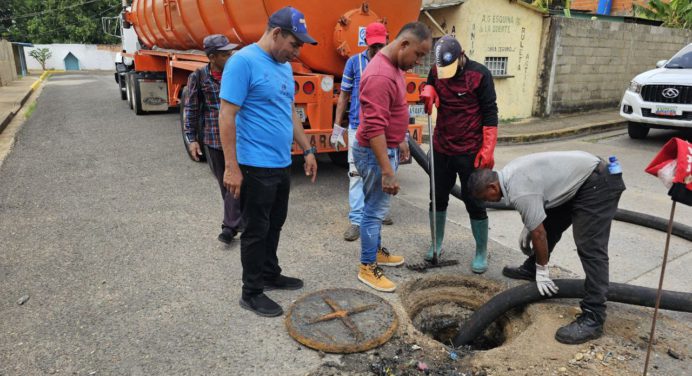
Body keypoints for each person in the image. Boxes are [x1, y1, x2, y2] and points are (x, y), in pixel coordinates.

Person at [218, 6, 318, 317]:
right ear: (276, 34)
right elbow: (227, 115)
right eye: (295, 44)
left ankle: (269, 274)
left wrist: (308, 150)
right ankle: (251, 292)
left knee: (275, 223)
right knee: (255, 230)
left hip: (280, 163)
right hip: (253, 165)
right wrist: (231, 167)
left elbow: (289, 112)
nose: (297, 52)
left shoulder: (283, 66)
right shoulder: (243, 62)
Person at [468, 151, 626, 344]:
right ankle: (532, 266)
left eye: (486, 197)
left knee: (590, 247)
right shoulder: (508, 174)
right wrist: (530, 223)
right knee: (551, 224)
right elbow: (539, 201)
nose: (488, 202)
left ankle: (594, 317)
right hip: (580, 181)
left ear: (492, 186)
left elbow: (538, 233)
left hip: (597, 184)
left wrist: (544, 272)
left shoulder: (519, 189)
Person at [352, 22, 432, 292]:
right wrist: (387, 170)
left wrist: (400, 140)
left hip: (386, 148)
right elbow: (374, 127)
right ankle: (367, 266)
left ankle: (375, 252)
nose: (417, 62)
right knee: (374, 211)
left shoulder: (394, 67)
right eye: (418, 55)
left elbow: (392, 113)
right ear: (404, 45)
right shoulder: (380, 76)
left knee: (377, 208)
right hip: (375, 153)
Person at [419, 35, 498, 274]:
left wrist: (488, 148)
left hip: (470, 150)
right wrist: (428, 89)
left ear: (461, 55)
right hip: (442, 146)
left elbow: (490, 112)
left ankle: (481, 251)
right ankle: (436, 245)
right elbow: (428, 84)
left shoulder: (480, 75)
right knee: (438, 199)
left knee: (475, 201)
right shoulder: (436, 70)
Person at [331, 22, 393, 242]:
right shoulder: (353, 63)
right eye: (374, 45)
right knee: (357, 174)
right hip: (358, 127)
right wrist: (337, 129)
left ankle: (378, 212)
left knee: (383, 170)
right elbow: (344, 96)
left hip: (383, 128)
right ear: (367, 42)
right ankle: (357, 220)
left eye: (381, 44)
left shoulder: (391, 63)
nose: (378, 49)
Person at [183, 34, 242, 244]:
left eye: (231, 53)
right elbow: (191, 109)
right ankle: (234, 222)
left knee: (239, 181)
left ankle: (230, 226)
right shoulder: (198, 77)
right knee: (225, 183)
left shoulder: (237, 74)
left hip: (240, 138)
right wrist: (192, 138)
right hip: (214, 140)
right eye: (225, 54)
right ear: (212, 57)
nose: (230, 57)